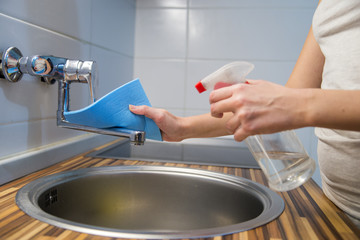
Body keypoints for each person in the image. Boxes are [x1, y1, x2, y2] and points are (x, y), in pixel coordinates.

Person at [129, 0, 360, 228]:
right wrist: (181, 127)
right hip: (336, 206)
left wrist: (295, 105)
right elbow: (295, 94)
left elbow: (296, 101)